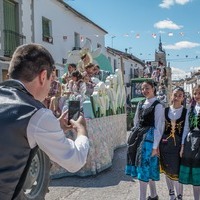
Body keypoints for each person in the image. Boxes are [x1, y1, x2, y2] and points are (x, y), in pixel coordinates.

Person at [0, 43, 89, 200]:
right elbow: (75, 161)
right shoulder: (36, 113)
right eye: (50, 79)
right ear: (43, 76)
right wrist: (82, 132)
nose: (50, 87)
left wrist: (56, 127)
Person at [125, 80, 165, 200]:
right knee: (146, 167)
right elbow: (136, 121)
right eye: (142, 89)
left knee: (144, 166)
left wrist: (155, 146)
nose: (144, 91)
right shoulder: (141, 103)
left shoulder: (158, 105)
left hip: (149, 139)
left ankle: (142, 198)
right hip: (139, 136)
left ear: (153, 88)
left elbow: (159, 126)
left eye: (147, 88)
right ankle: (153, 195)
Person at [159, 87, 189, 200]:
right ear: (171, 95)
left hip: (178, 146)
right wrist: (157, 145)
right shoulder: (165, 110)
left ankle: (179, 196)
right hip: (165, 145)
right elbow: (161, 128)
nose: (177, 98)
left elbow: (186, 129)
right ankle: (171, 194)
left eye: (180, 95)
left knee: (177, 171)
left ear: (183, 97)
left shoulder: (186, 111)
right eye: (175, 95)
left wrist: (183, 146)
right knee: (167, 170)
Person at [179, 85, 200, 200]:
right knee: (195, 173)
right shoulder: (190, 108)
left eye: (199, 93)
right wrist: (182, 146)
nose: (197, 96)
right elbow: (186, 128)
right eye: (195, 93)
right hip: (190, 142)